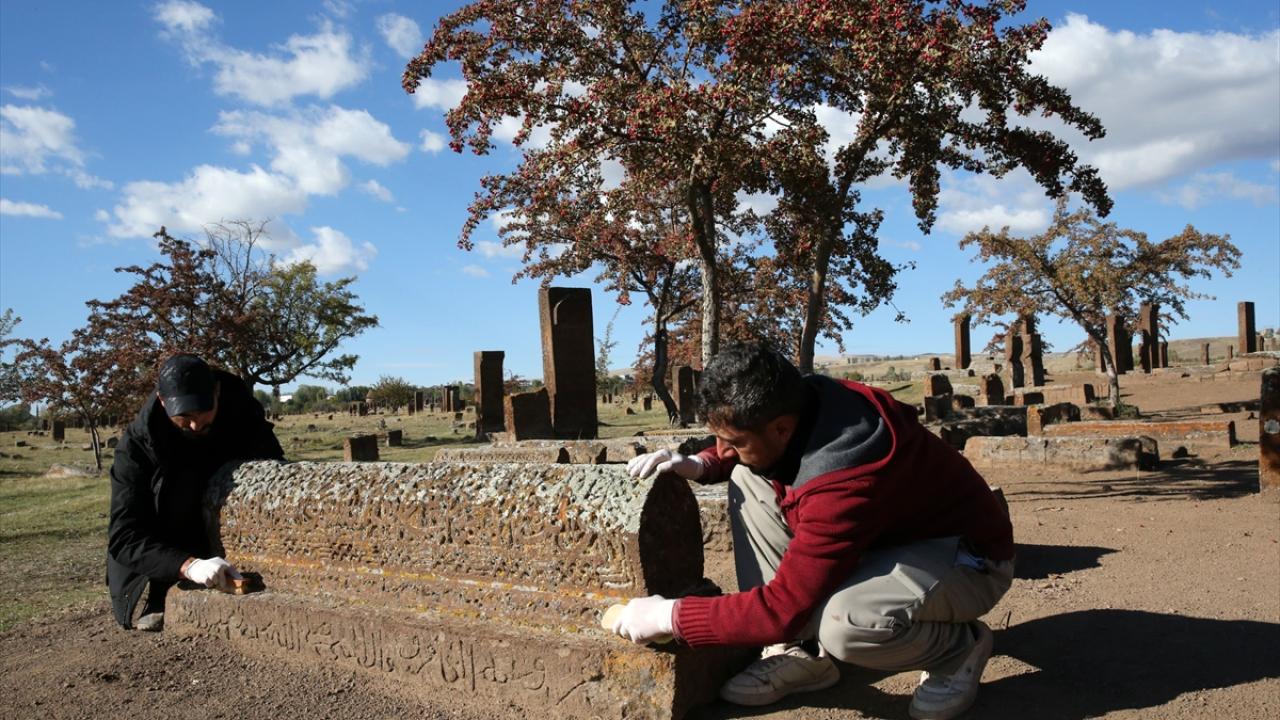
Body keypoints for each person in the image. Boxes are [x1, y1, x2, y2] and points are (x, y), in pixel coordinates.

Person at [614, 343, 1014, 720]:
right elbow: (747, 443)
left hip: (967, 558)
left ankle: (957, 650)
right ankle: (800, 652)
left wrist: (671, 615)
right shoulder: (806, 399)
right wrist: (698, 464)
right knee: (746, 476)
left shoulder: (845, 474)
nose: (721, 449)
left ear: (782, 430)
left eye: (732, 441)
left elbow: (780, 608)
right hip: (885, 541)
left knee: (847, 624)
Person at [107, 354, 284, 631]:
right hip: (166, 541)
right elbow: (124, 537)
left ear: (217, 392)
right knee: (179, 489)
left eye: (203, 413)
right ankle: (161, 592)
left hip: (215, 517)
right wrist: (188, 566)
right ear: (163, 401)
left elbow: (275, 469)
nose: (194, 425)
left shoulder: (242, 413)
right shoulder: (135, 449)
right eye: (184, 416)